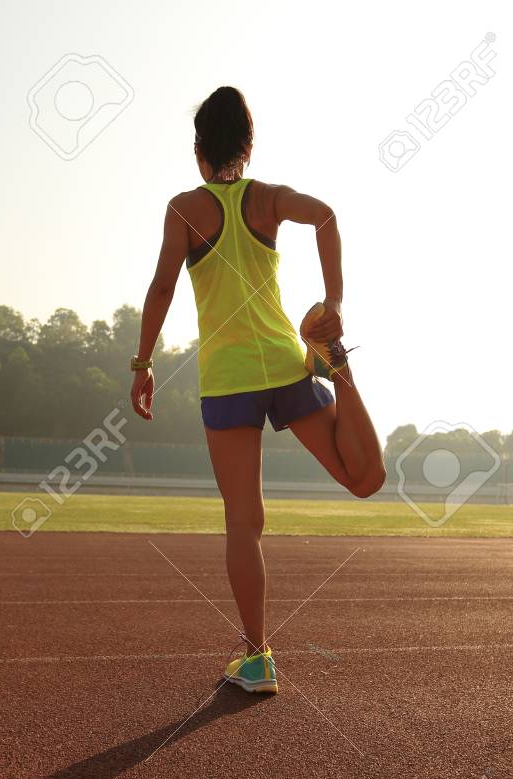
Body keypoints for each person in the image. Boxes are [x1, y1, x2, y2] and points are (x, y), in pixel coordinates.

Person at [131, 86, 385, 695]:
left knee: (244, 523)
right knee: (366, 480)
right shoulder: (266, 199)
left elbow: (162, 289)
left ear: (198, 152)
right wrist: (335, 304)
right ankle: (340, 367)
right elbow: (326, 215)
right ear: (249, 145)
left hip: (228, 383)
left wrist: (142, 363)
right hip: (288, 365)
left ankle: (257, 658)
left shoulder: (184, 209)